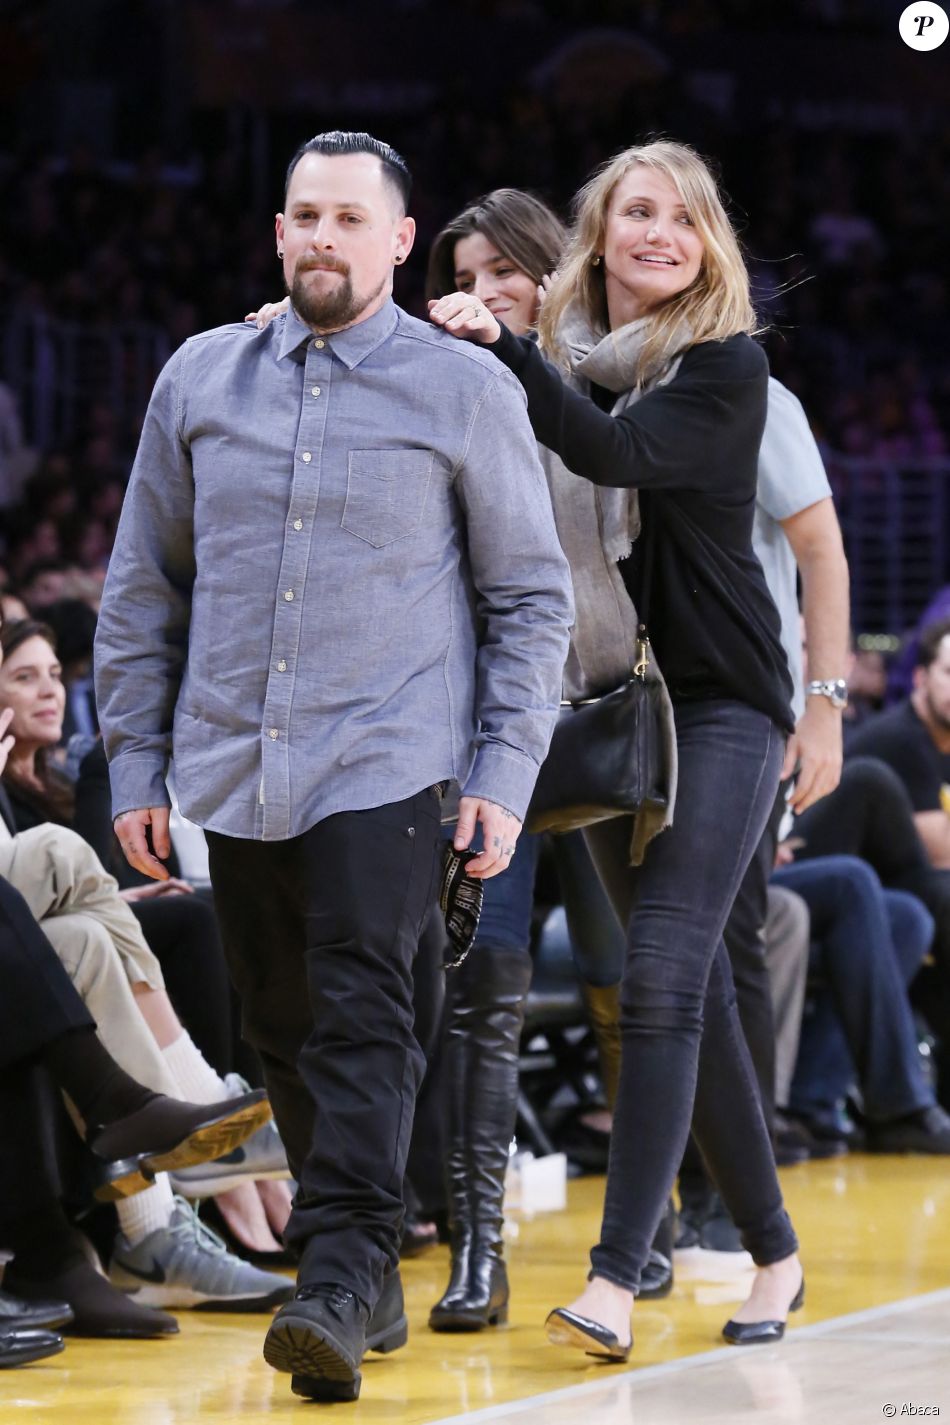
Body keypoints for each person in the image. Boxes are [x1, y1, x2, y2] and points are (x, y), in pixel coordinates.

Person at [95, 130, 573, 1403]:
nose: (322, 238)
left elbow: (530, 598)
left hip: (391, 753)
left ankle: (341, 1263)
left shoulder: (465, 390)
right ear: (276, 232)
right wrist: (134, 767)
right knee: (280, 1024)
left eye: (350, 220)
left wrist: (502, 772)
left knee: (363, 1008)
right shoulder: (201, 378)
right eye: (304, 215)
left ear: (401, 242)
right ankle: (362, 1280)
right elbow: (142, 588)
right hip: (235, 762)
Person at [430, 138, 803, 1358]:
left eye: (684, 219)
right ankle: (776, 1254)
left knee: (655, 980)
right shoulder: (587, 368)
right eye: (636, 212)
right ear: (596, 237)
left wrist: (510, 349)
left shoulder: (719, 367)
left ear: (708, 248)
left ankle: (608, 1277)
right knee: (684, 995)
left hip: (729, 705)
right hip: (612, 710)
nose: (660, 233)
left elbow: (614, 462)